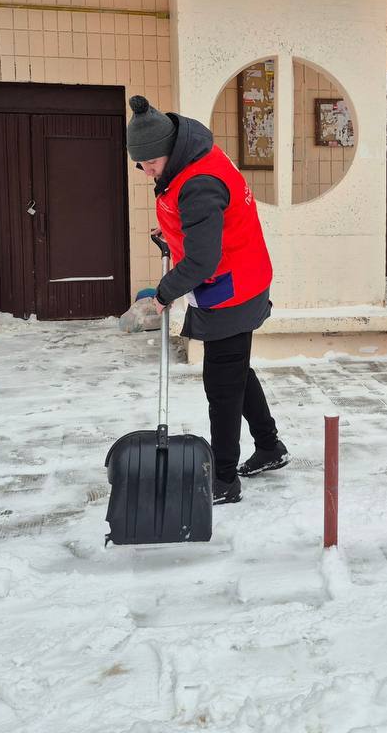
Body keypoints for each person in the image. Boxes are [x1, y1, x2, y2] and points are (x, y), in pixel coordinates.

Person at [126, 95, 289, 504]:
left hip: (231, 288)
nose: (146, 173)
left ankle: (223, 479)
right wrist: (175, 237)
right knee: (235, 370)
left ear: (169, 151)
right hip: (240, 276)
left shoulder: (197, 182)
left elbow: (203, 258)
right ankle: (269, 447)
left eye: (149, 164)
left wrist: (164, 294)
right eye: (139, 165)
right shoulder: (196, 155)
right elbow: (207, 227)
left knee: (222, 385)